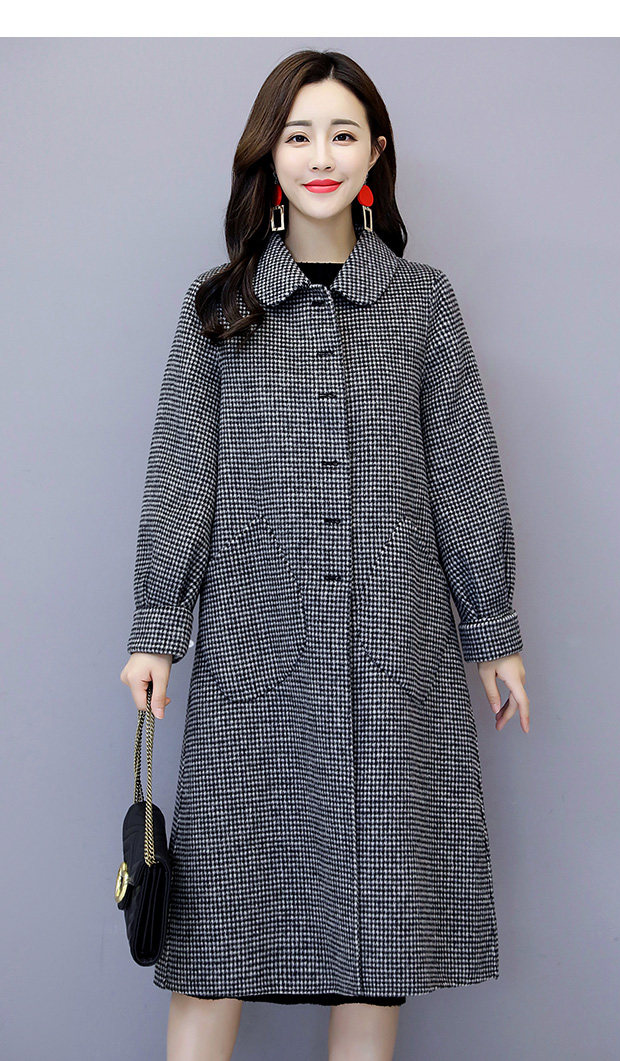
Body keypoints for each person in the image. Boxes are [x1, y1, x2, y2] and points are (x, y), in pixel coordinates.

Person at [120, 48, 530, 1061]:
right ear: (268, 155)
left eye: (342, 134)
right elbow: (181, 475)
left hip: (395, 657)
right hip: (256, 657)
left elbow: (464, 471)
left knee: (375, 942)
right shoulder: (216, 308)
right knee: (215, 937)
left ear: (374, 153)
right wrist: (156, 629)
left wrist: (492, 631)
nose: (320, 156)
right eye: (298, 134)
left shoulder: (422, 304)